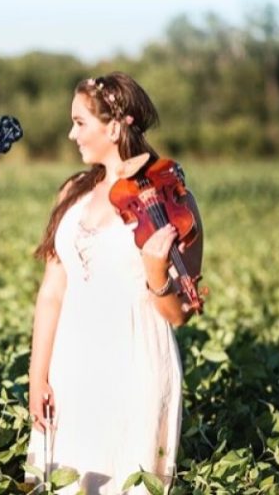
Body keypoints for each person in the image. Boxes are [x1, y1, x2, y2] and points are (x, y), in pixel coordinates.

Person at [26, 72, 203, 494]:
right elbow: (52, 292)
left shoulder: (170, 199)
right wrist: (37, 378)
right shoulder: (73, 191)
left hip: (134, 361)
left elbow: (178, 315)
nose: (71, 134)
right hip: (72, 365)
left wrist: (158, 272)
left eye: (80, 122)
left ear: (115, 125)